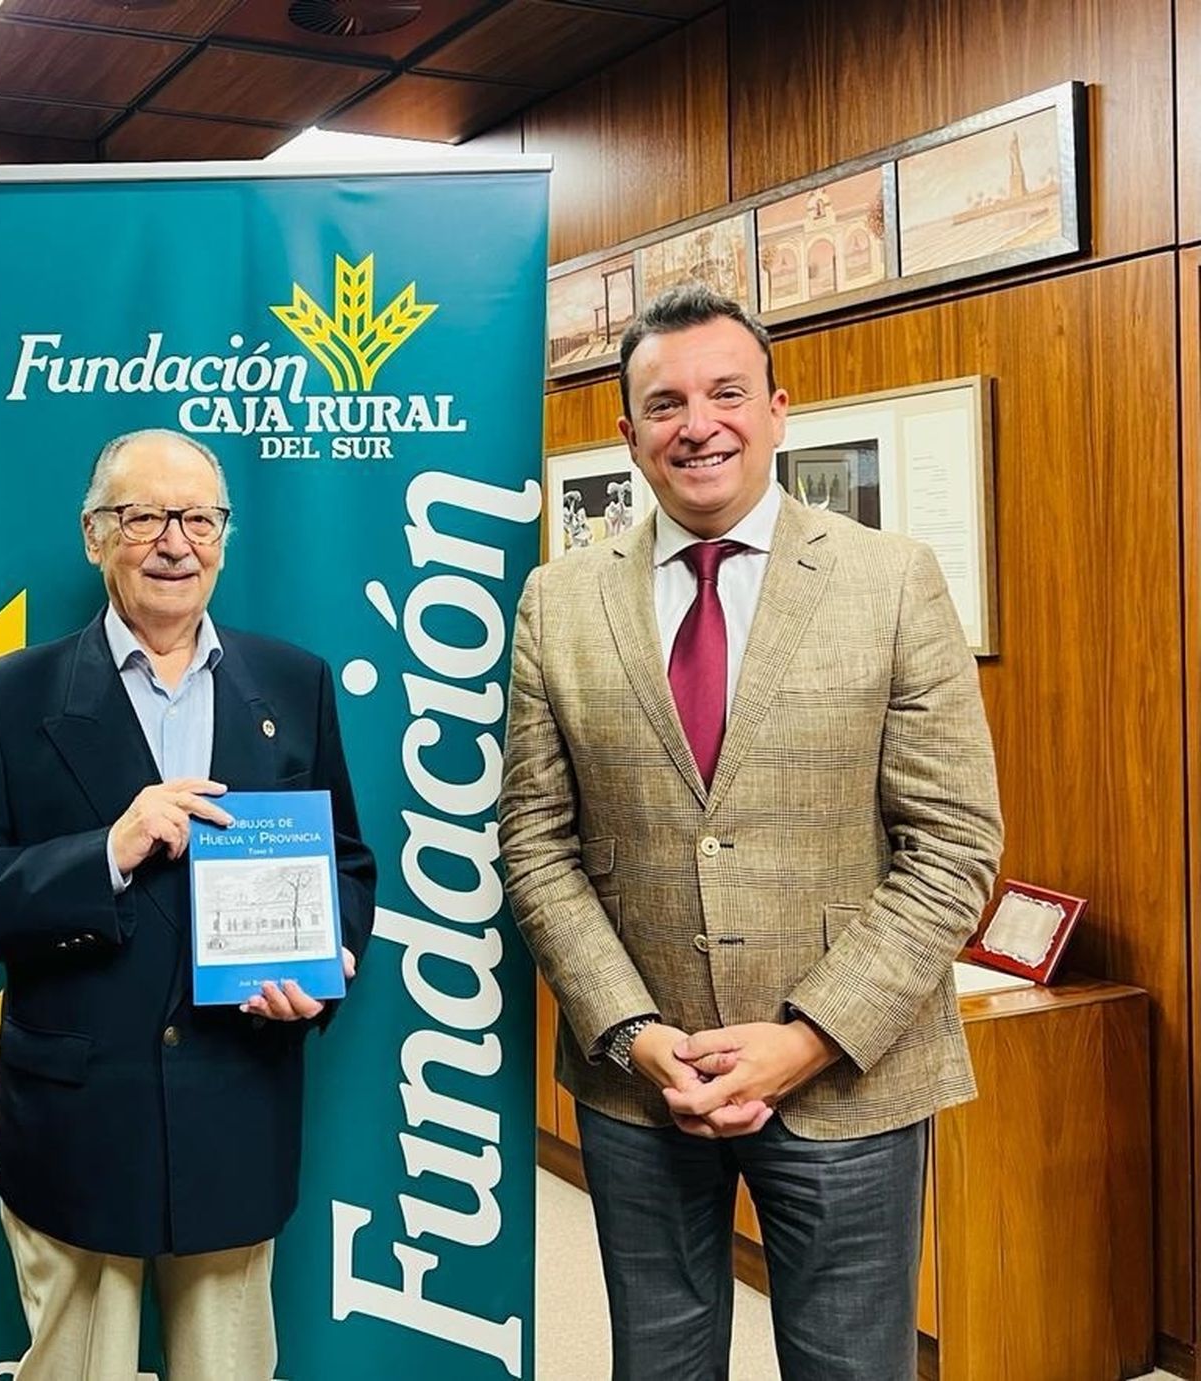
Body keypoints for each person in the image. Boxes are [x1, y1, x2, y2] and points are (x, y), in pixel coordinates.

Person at [499, 284, 1002, 1380]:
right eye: (665, 402)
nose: (698, 423)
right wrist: (630, 1031)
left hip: (846, 1079)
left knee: (848, 1365)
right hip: (643, 1082)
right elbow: (536, 842)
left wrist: (804, 1038)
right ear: (627, 433)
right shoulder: (558, 601)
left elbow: (953, 846)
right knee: (660, 1363)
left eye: (726, 392)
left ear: (778, 409)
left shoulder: (891, 582)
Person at [0, 428, 376, 1381]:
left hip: (237, 1099)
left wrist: (320, 974)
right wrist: (107, 853)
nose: (175, 540)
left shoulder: (293, 682)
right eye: (143, 516)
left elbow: (346, 867)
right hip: (80, 1119)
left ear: (225, 535)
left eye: (199, 516)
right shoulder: (5, 697)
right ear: (93, 535)